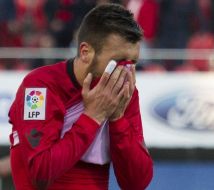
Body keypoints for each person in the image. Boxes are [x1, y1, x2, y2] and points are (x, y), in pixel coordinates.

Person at [9, 3, 153, 190]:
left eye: (132, 62)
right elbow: (41, 172)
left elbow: (137, 183)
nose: (125, 71)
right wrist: (93, 117)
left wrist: (118, 119)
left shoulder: (125, 93)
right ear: (86, 52)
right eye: (118, 61)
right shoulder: (39, 87)